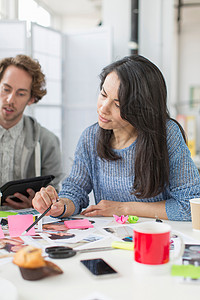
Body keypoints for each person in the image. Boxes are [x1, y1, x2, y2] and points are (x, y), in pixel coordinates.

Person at [32, 54, 200, 221]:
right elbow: (75, 190)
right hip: (111, 239)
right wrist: (60, 205)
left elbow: (190, 206)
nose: (103, 109)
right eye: (103, 95)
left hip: (157, 237)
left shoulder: (166, 135)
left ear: (142, 108)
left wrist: (123, 208)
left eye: (118, 104)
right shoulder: (90, 137)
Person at [0, 54, 63, 209]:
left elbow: (55, 195)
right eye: (5, 89)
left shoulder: (48, 141)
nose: (10, 100)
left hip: (27, 226)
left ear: (31, 99)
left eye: (20, 93)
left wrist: (39, 204)